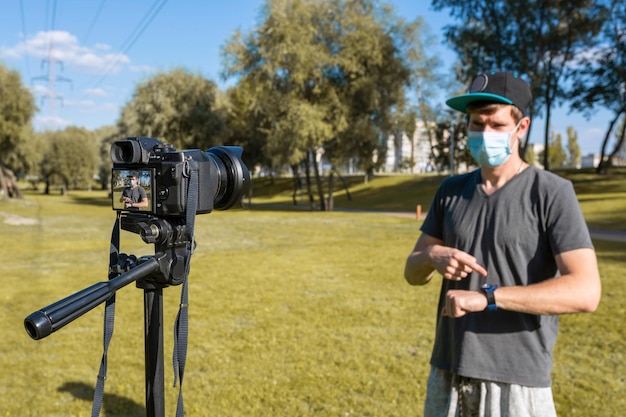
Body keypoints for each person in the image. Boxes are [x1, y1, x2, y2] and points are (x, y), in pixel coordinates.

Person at [403, 71, 601, 417]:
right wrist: (432, 256)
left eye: (495, 125)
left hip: (517, 380)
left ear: (521, 128)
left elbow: (585, 291)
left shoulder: (551, 192)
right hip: (449, 370)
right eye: (476, 124)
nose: (483, 134)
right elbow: (412, 272)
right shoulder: (451, 191)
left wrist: (488, 298)